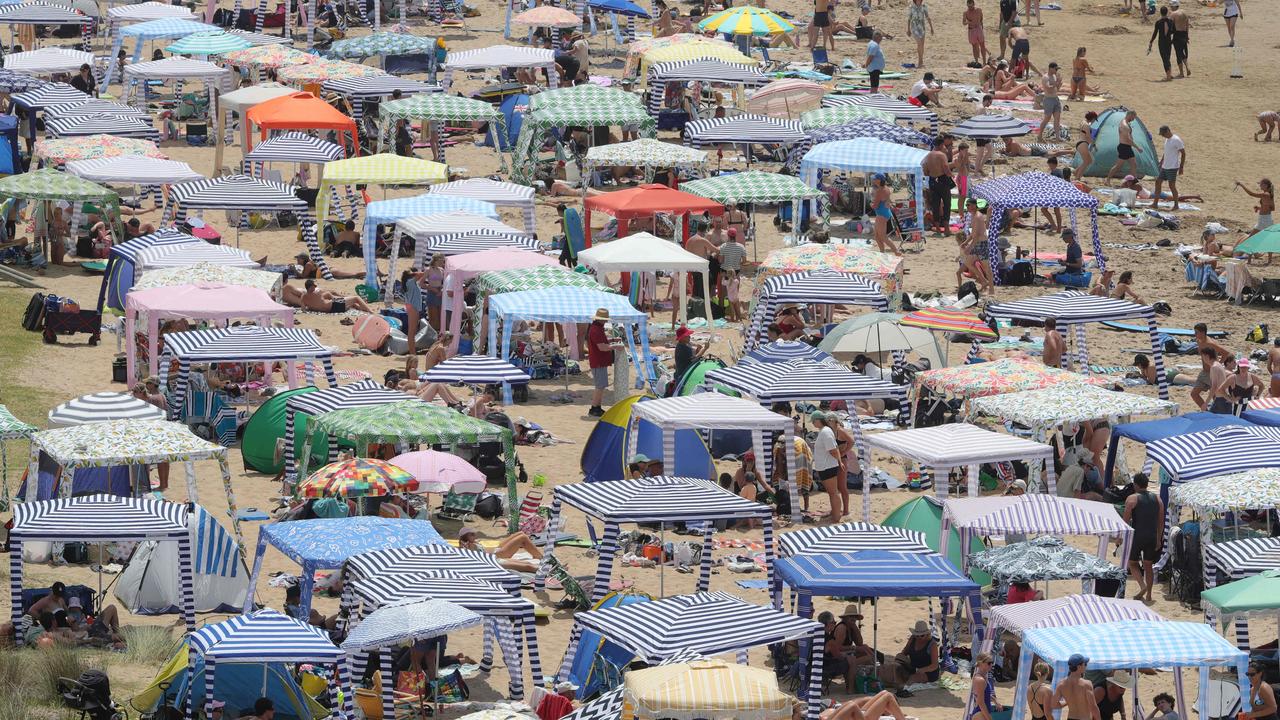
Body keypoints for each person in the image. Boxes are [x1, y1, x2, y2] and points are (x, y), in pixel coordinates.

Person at [1123, 472, 1163, 603]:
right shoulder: (1158, 499)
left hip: (1137, 536)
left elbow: (1125, 521)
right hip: (1151, 536)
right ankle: (1149, 595)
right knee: (1148, 565)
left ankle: (1142, 586)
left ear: (1135, 485)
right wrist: (1158, 538)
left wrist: (1121, 538)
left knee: (1132, 563)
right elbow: (1161, 521)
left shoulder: (1132, 499)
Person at [459, 525, 543, 573]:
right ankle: (539, 556)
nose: (475, 535)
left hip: (496, 551)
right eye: (472, 534)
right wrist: (464, 545)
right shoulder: (468, 546)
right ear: (466, 538)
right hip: (498, 555)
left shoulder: (473, 542)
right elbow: (463, 548)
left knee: (520, 533)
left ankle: (540, 559)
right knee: (523, 538)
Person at [587, 308, 621, 417]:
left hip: (599, 361)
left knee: (600, 386)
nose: (606, 321)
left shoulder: (597, 328)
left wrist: (612, 341)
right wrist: (615, 346)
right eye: (605, 319)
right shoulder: (596, 330)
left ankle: (597, 407)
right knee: (600, 386)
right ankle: (594, 408)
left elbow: (602, 343)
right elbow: (602, 347)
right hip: (598, 362)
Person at [811, 410, 842, 523]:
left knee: (833, 492)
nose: (813, 424)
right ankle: (835, 513)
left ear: (818, 420)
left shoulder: (825, 432)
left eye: (814, 421)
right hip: (825, 466)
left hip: (827, 466)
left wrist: (839, 461)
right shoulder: (824, 431)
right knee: (832, 492)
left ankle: (836, 517)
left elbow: (833, 450)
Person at [895, 620, 939, 693]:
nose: (919, 637)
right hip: (913, 667)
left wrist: (922, 670)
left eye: (922, 635)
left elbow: (934, 665)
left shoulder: (932, 645)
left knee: (911, 679)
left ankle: (903, 690)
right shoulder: (913, 639)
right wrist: (900, 659)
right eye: (917, 635)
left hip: (928, 671)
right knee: (896, 671)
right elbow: (905, 651)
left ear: (927, 634)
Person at [1049, 654, 1098, 720]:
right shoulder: (1087, 684)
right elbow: (1093, 707)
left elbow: (1053, 705)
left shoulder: (1061, 684)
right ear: (1079, 666)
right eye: (1085, 664)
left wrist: (1067, 702)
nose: (1086, 666)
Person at [286, 279, 372, 314]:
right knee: (356, 298)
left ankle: (362, 309)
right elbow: (329, 295)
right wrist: (338, 297)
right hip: (335, 306)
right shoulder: (317, 292)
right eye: (314, 286)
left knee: (351, 304)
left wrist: (313, 308)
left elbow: (303, 309)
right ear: (311, 287)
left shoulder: (303, 297)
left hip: (331, 311)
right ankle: (370, 311)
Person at [1152, 126, 1186, 211]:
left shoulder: (1176, 140)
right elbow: (1166, 151)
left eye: (1163, 134)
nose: (1163, 136)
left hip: (1172, 167)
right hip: (1165, 166)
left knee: (1172, 186)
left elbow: (1183, 153)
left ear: (1168, 131)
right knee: (1158, 182)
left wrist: (1181, 167)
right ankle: (1155, 203)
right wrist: (1162, 161)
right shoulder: (1167, 139)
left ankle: (1176, 205)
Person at [923, 144, 954, 235]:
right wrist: (950, 175)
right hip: (942, 180)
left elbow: (925, 171)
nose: (946, 149)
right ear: (940, 146)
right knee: (947, 204)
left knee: (935, 205)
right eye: (944, 147)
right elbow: (945, 167)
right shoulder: (941, 155)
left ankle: (937, 229)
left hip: (932, 181)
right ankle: (947, 229)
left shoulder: (928, 155)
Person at [1105, 110, 1142, 184]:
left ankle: (1134, 181)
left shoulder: (1125, 123)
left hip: (1127, 147)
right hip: (1124, 147)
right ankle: (1107, 180)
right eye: (1133, 117)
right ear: (1130, 115)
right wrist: (1137, 147)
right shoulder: (1124, 125)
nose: (1133, 119)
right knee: (1118, 166)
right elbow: (1127, 139)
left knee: (1133, 164)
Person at [1235, 179, 1275, 247]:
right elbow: (1272, 208)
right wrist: (1260, 208)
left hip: (1264, 220)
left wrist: (1241, 185)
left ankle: (1249, 254)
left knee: (1251, 238)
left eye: (1261, 184)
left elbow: (1251, 194)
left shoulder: (1265, 194)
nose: (1260, 186)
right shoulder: (1270, 195)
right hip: (1267, 219)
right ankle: (1261, 255)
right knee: (1262, 239)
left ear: (1266, 185)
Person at [815, 692, 908, 720]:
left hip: (858, 715)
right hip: (860, 717)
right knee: (888, 696)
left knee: (885, 694)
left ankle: (900, 716)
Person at [869, 174, 901, 254]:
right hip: (884, 212)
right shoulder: (886, 188)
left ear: (878, 181)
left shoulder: (880, 191)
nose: (873, 180)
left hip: (881, 214)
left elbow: (875, 205)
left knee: (883, 236)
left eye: (874, 179)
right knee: (877, 236)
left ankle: (896, 251)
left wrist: (870, 204)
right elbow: (887, 201)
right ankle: (882, 252)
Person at [672, 325, 707, 392]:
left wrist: (698, 350)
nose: (689, 337)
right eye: (687, 336)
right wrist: (704, 349)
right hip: (684, 376)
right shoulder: (684, 348)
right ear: (682, 338)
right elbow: (695, 359)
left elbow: (690, 358)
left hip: (680, 373)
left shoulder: (681, 345)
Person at [1191, 346, 1225, 411]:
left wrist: (1206, 403)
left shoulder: (1214, 367)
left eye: (1203, 357)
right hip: (1222, 399)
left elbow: (1214, 387)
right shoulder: (1218, 365)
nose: (1203, 359)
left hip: (1220, 400)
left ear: (1207, 356)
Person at [969, 653, 1003, 720]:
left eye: (992, 662)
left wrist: (995, 701)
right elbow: (981, 702)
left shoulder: (983, 677)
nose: (991, 665)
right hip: (981, 713)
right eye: (989, 663)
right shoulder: (980, 680)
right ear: (981, 663)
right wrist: (989, 718)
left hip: (982, 712)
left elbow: (984, 694)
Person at [1037, 62, 1063, 143]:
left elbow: (1056, 89)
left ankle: (1057, 137)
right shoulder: (1046, 77)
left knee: (1057, 118)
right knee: (1047, 118)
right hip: (1048, 100)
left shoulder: (1054, 76)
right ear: (1051, 68)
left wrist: (1059, 83)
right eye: (1055, 69)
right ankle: (1039, 136)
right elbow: (1048, 88)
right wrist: (1056, 83)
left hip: (1055, 98)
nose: (1056, 71)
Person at [906, 0, 934, 68]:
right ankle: (920, 62)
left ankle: (921, 62)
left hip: (922, 28)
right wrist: (908, 29)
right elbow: (909, 19)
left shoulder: (924, 6)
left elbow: (928, 17)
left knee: (922, 45)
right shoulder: (911, 7)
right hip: (914, 28)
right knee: (919, 43)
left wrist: (931, 28)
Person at [1149, 8, 1175, 81]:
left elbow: (1155, 33)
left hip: (1162, 42)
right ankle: (1169, 73)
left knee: (1165, 59)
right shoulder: (1171, 21)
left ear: (1160, 13)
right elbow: (1174, 31)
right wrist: (1170, 35)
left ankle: (1168, 76)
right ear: (1167, 12)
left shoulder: (1158, 22)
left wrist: (1151, 42)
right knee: (1168, 58)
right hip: (1169, 41)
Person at [1168, 0, 1191, 76]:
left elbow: (1170, 26)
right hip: (1184, 34)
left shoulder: (1173, 14)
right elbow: (1187, 24)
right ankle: (1187, 67)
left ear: (1175, 6)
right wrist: (1187, 36)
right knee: (1183, 52)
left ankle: (1181, 73)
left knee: (1178, 53)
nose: (1170, 7)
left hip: (1177, 34)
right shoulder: (1184, 13)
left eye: (1171, 6)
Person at [962, 0, 988, 66]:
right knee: (974, 46)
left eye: (971, 6)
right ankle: (976, 61)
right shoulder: (966, 13)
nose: (970, 7)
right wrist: (969, 22)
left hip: (978, 28)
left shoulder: (979, 10)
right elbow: (963, 22)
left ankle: (984, 62)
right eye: (968, 6)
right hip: (971, 30)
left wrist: (981, 26)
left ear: (973, 4)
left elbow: (981, 18)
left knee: (982, 45)